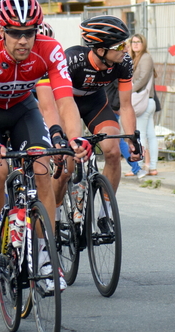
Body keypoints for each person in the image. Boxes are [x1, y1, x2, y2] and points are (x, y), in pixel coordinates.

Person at [0, 0, 87, 287]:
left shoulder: (49, 49)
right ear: (2, 31)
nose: (23, 40)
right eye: (16, 33)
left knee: (42, 170)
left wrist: (74, 139)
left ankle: (44, 257)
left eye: (29, 32)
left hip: (22, 110)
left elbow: (65, 102)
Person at [54, 15, 140, 200]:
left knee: (113, 151)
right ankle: (55, 216)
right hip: (67, 105)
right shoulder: (72, 60)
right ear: (100, 50)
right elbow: (62, 103)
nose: (125, 49)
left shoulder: (123, 63)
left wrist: (132, 138)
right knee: (66, 165)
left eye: (125, 43)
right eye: (119, 46)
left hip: (95, 104)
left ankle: (106, 213)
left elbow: (126, 106)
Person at [129, 33, 158, 177]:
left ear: (143, 44)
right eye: (133, 42)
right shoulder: (137, 58)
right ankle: (152, 167)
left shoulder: (145, 58)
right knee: (150, 135)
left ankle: (141, 166)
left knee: (141, 135)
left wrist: (127, 91)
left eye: (138, 42)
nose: (135, 45)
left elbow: (142, 79)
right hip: (147, 101)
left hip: (144, 101)